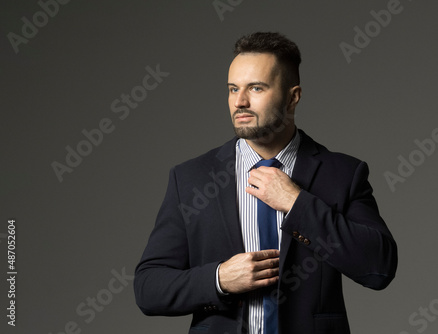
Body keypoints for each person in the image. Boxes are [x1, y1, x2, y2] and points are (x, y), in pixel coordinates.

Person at [134, 31, 397, 334]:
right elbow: (148, 288)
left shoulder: (342, 174)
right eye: (233, 89)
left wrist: (298, 204)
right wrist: (219, 279)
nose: (240, 101)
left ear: (292, 96)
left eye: (256, 88)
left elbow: (379, 268)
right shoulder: (191, 178)